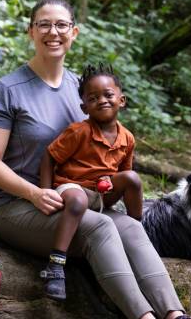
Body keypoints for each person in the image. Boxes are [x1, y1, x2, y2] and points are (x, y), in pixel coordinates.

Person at [0, 0, 191, 319]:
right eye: (44, 24)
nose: (53, 32)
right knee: (100, 228)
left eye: (61, 25)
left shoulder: (83, 89)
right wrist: (34, 193)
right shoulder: (8, 89)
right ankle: (143, 316)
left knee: (133, 229)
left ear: (73, 33)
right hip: (18, 205)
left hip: (79, 199)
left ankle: (174, 314)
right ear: (31, 32)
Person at [38, 63, 144, 301]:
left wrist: (113, 182)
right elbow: (49, 157)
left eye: (108, 95)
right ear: (84, 106)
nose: (102, 101)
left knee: (132, 178)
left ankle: (137, 228)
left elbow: (123, 174)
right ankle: (55, 266)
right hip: (73, 187)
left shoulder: (127, 138)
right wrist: (45, 192)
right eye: (94, 98)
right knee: (76, 200)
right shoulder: (79, 132)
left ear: (122, 100)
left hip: (102, 193)